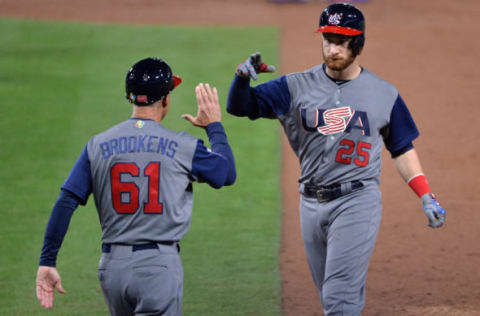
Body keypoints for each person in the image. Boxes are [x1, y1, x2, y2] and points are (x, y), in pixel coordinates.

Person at [227, 3, 446, 315]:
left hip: (357, 200)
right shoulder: (294, 86)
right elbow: (240, 107)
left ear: (358, 44)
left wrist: (425, 195)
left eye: (341, 42)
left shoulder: (384, 93)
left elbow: (402, 148)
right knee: (332, 295)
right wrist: (241, 79)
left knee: (339, 300)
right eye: (328, 40)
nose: (333, 49)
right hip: (310, 203)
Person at [36, 57, 236, 316]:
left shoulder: (97, 145)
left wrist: (47, 260)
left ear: (130, 97)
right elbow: (227, 173)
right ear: (165, 100)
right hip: (157, 268)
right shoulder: (184, 147)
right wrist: (214, 127)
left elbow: (66, 201)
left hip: (112, 269)